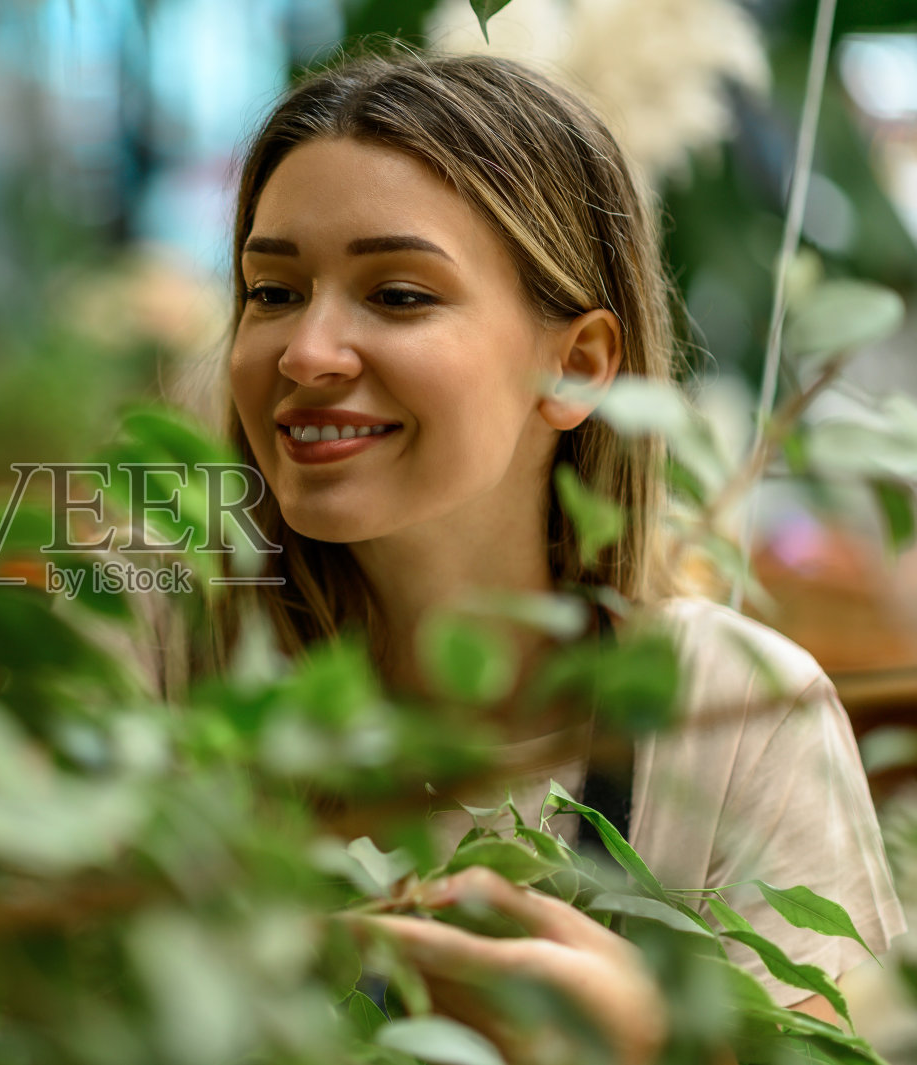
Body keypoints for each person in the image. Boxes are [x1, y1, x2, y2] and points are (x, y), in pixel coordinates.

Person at [108, 49, 906, 1065]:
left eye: (396, 295)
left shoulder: (735, 710)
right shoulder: (161, 647)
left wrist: (645, 1047)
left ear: (576, 368)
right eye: (272, 292)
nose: (305, 354)